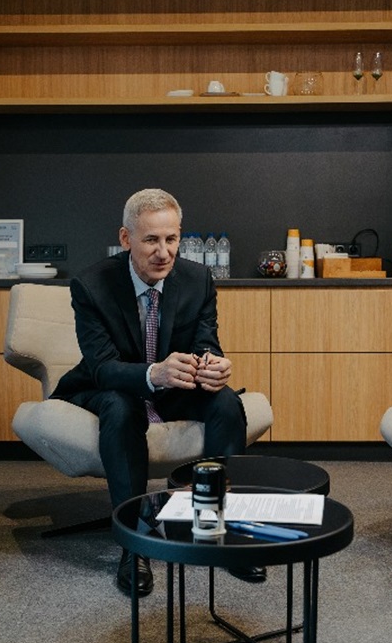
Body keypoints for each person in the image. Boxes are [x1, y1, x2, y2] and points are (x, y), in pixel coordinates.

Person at [51, 188, 253, 597]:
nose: (164, 252)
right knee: (121, 408)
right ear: (126, 239)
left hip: (171, 386)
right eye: (151, 240)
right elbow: (101, 366)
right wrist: (153, 373)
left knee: (227, 402)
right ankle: (133, 545)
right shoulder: (91, 285)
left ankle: (218, 528)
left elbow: (206, 341)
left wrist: (213, 364)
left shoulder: (198, 279)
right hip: (109, 385)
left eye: (171, 239)